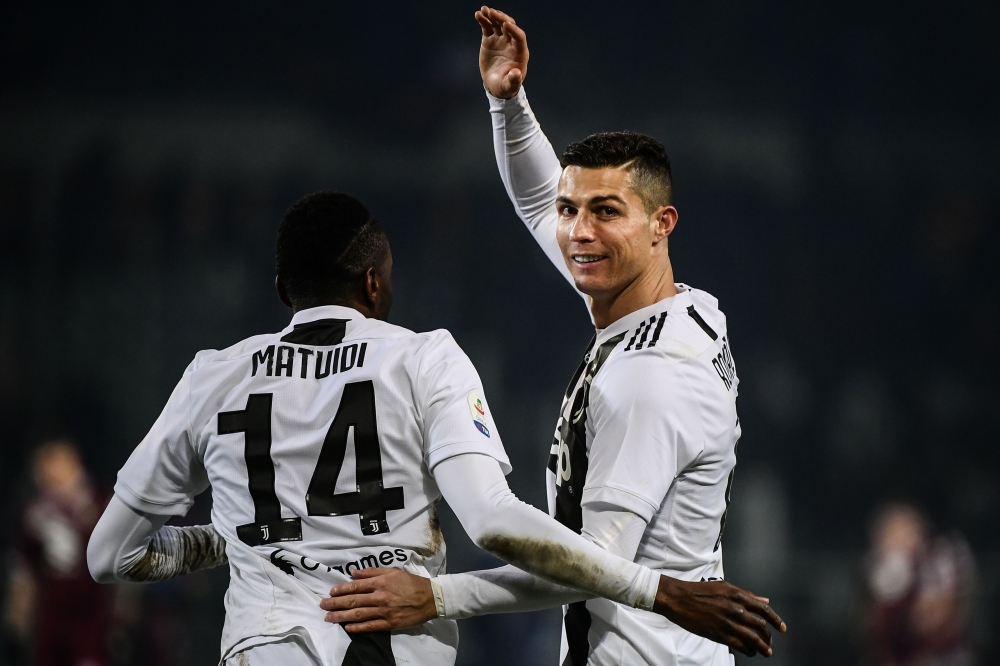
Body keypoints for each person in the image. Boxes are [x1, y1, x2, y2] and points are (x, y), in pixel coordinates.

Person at [86, 191, 781, 666]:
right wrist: (659, 589)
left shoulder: (215, 375)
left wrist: (228, 539)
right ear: (375, 286)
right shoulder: (422, 358)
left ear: (281, 293)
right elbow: (495, 522)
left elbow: (109, 556)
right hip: (391, 648)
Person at [320, 7, 784, 665]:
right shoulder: (688, 308)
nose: (578, 232)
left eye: (606, 212)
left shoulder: (645, 382)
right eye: (574, 211)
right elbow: (542, 200)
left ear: (662, 224)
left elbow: (592, 566)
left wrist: (435, 597)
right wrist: (508, 104)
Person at [8, 438, 113, 666]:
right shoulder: (36, 512)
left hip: (91, 609)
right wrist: (19, 610)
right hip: (52, 611)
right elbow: (24, 566)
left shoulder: (98, 501)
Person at [864, 504, 976, 666]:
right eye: (892, 533)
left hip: (942, 657)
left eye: (904, 531)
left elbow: (936, 621)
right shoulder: (875, 567)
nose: (899, 539)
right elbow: (875, 630)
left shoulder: (939, 560)